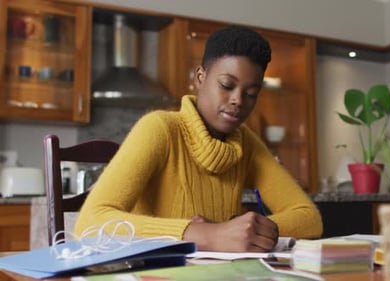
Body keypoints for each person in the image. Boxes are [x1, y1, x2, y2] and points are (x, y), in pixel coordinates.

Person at [75, 25, 323, 252]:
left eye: (251, 93)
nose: (238, 100)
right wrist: (207, 234)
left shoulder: (245, 143)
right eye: (227, 85)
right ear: (200, 78)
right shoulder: (160, 129)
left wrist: (243, 230)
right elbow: (89, 222)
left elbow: (308, 217)